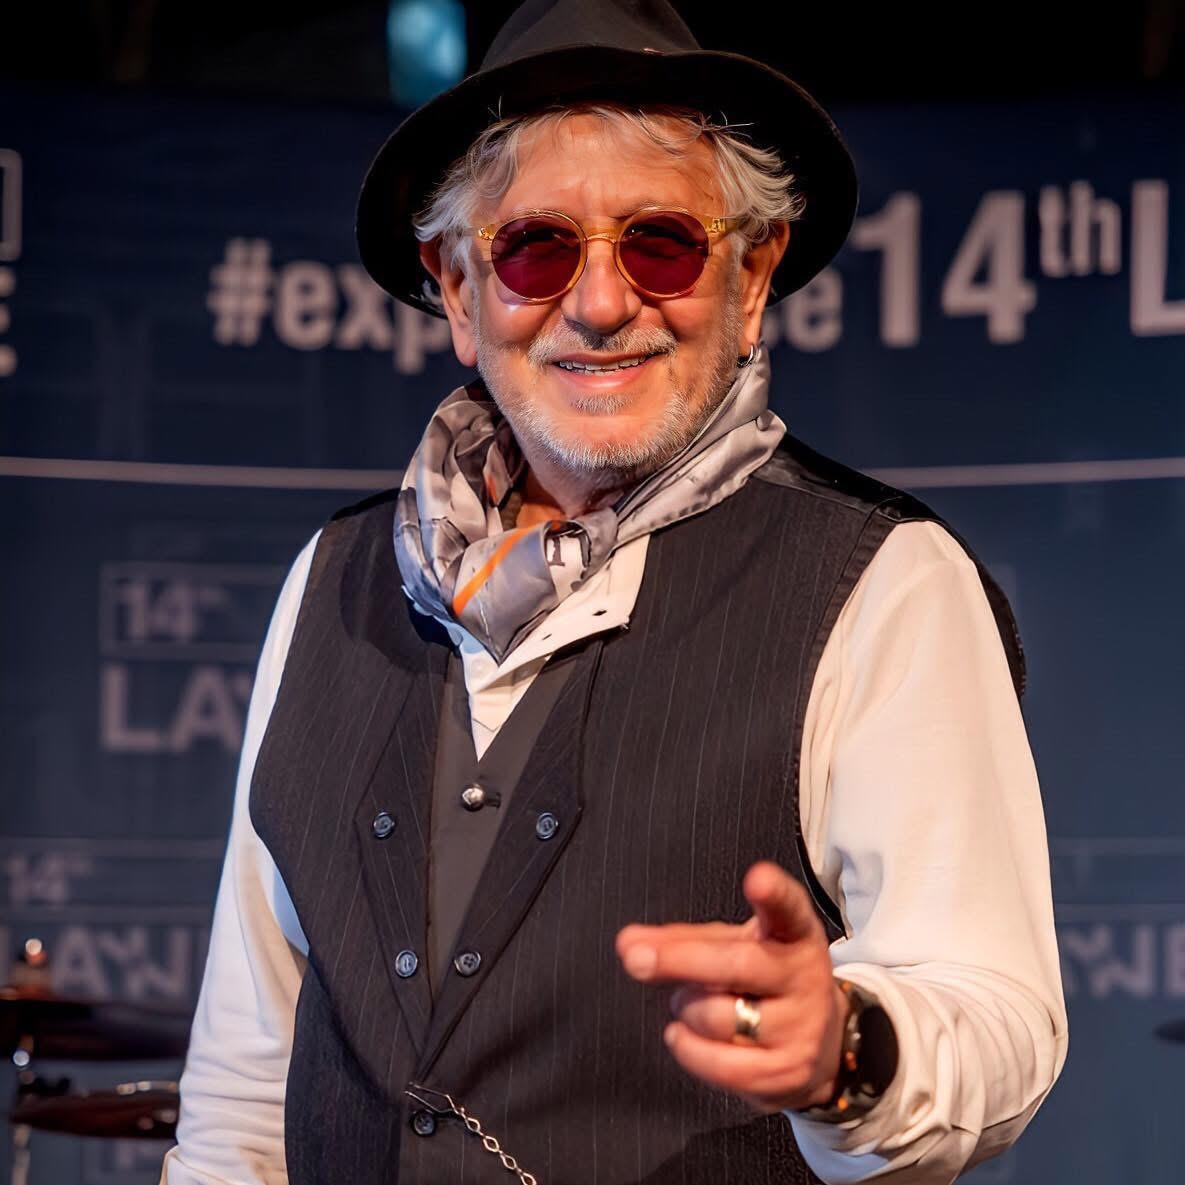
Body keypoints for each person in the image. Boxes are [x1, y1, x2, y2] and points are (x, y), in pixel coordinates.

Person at [161, 1, 1067, 1182]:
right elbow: (244, 1086)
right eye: (537, 248)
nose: (599, 303)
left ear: (751, 277)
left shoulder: (886, 583)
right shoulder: (331, 581)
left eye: (661, 244)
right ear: (458, 288)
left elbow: (994, 1010)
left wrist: (844, 1049)